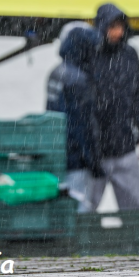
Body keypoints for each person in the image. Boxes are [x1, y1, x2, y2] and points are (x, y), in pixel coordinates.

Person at [89, 3, 139, 210]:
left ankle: (133, 241)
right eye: (112, 27)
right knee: (85, 210)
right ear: (102, 27)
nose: (118, 32)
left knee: (134, 209)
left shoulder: (130, 54)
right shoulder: (89, 54)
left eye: (121, 27)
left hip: (125, 148)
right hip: (95, 153)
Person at [46, 22, 104, 213]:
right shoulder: (79, 80)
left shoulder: (56, 72)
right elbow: (83, 126)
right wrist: (94, 162)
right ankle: (76, 242)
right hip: (76, 159)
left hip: (56, 153)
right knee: (79, 209)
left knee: (60, 209)